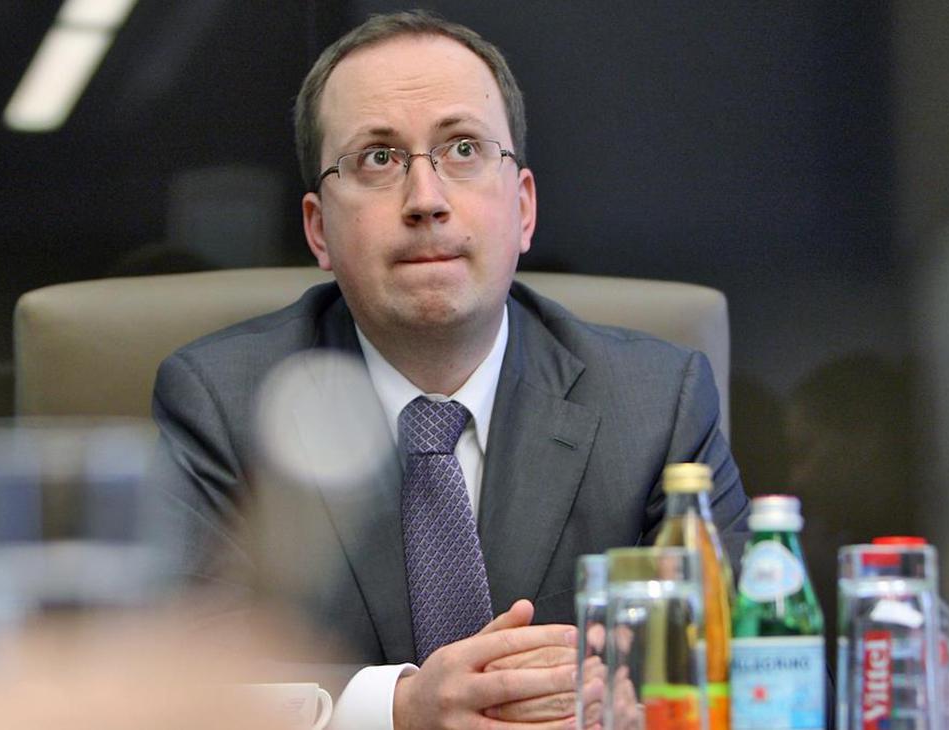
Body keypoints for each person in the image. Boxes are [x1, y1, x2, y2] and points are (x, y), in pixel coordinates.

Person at [151, 10, 750, 729]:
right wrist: (397, 709)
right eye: (377, 158)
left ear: (522, 208)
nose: (426, 200)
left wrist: (628, 700)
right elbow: (165, 682)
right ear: (318, 229)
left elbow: (750, 669)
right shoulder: (221, 403)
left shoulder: (657, 404)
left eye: (463, 148)